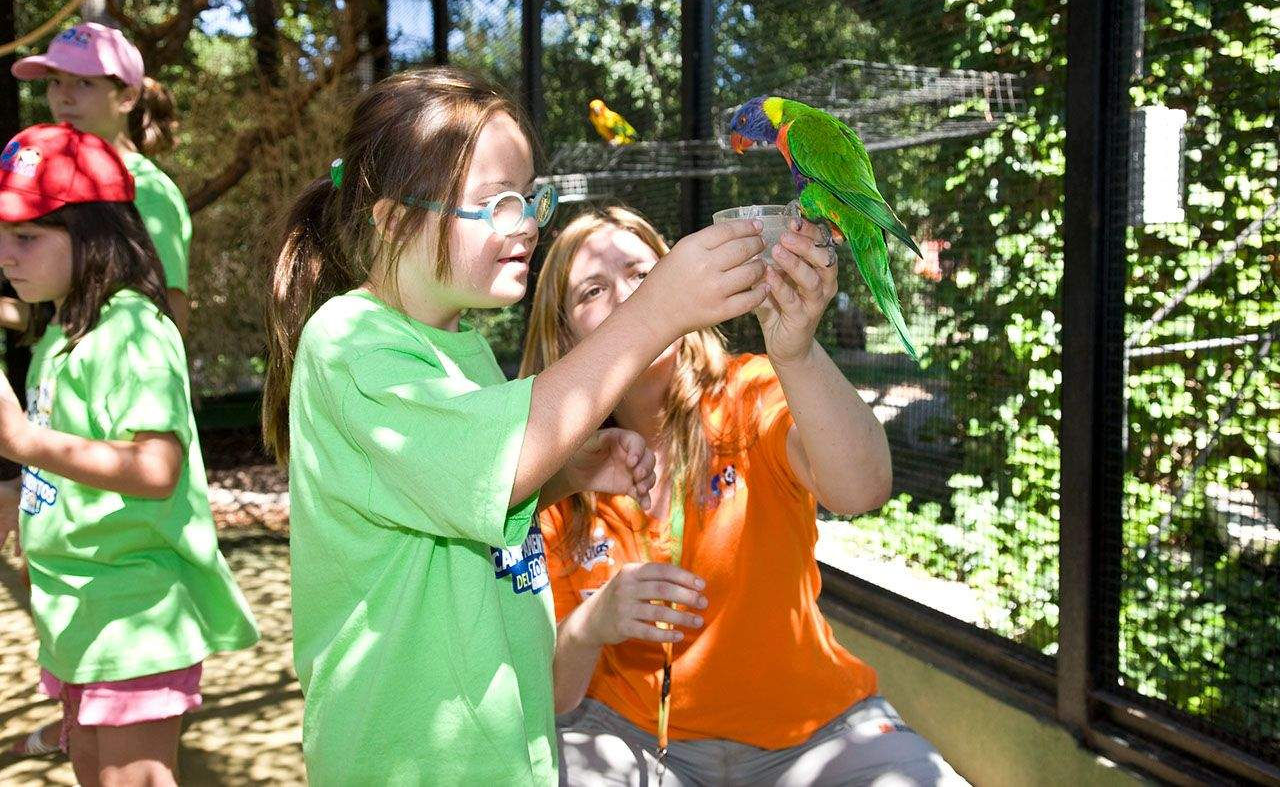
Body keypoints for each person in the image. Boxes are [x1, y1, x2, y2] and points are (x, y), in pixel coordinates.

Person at [261, 67, 770, 784]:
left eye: (530, 197)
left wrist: (567, 469)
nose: (528, 222)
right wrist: (657, 307)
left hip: (499, 753)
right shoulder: (350, 343)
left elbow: (472, 488)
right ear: (393, 218)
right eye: (496, 203)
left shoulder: (461, 346)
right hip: (410, 764)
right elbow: (497, 462)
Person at [521, 205, 969, 786]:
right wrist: (591, 625)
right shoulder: (557, 473)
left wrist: (797, 353)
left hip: (815, 732)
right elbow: (552, 700)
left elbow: (862, 488)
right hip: (630, 738)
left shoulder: (748, 390)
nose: (628, 297)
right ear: (565, 332)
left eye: (642, 274)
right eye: (593, 290)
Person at [0, 122, 259, 786]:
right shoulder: (60, 334)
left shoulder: (133, 328)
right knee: (92, 770)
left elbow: (155, 467)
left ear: (93, 235)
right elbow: (50, 473)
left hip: (134, 610)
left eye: (26, 236)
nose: (7, 254)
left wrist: (24, 441)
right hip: (76, 607)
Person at [6, 22, 192, 335]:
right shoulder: (60, 178)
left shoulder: (146, 188)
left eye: (83, 83)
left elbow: (167, 315)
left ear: (127, 98)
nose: (63, 97)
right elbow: (73, 313)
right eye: (54, 81)